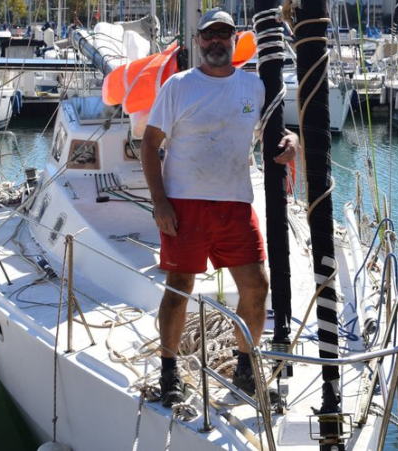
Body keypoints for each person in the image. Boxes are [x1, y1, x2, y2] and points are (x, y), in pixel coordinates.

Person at [141, 8, 298, 408]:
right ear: (198, 41)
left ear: (234, 39)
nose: (216, 42)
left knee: (257, 286)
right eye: (209, 35)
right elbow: (150, 143)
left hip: (235, 203)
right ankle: (169, 371)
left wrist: (292, 142)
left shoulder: (254, 86)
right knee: (179, 290)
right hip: (185, 205)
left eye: (223, 35)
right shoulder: (179, 86)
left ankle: (245, 366)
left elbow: (279, 127)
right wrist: (159, 202)